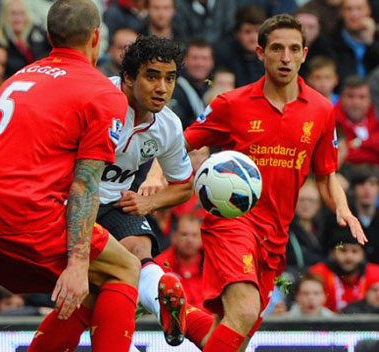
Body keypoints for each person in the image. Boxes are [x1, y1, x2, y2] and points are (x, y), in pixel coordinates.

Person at [147, 14, 366, 351]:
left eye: (294, 49)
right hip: (232, 222)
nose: (286, 57)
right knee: (245, 312)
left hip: (276, 234)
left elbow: (326, 174)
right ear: (260, 52)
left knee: (234, 333)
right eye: (277, 48)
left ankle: (184, 317)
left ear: (305, 54)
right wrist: (156, 173)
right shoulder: (231, 104)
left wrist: (344, 208)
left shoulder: (321, 110)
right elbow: (182, 143)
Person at [0, 1, 141, 351]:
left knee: (94, 290)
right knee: (125, 270)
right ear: (96, 37)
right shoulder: (102, 92)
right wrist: (78, 262)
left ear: (51, 36)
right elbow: (85, 183)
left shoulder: (20, 76)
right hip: (21, 214)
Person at [97, 35, 195, 346]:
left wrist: (147, 202)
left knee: (139, 249)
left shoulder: (168, 125)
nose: (162, 88)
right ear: (127, 78)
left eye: (170, 78)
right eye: (152, 76)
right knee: (88, 297)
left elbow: (184, 185)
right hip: (68, 201)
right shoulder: (97, 99)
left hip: (115, 203)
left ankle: (163, 305)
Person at [309, 228, 379, 312]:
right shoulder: (318, 274)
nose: (349, 257)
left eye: (355, 251)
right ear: (332, 254)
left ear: (363, 255)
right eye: (343, 250)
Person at [334, 76, 379, 168]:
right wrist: (378, 156)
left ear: (370, 99)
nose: (356, 102)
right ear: (340, 98)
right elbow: (340, 155)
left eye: (362, 97)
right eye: (350, 96)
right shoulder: (331, 120)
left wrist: (360, 143)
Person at [155, 213, 206, 310]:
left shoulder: (212, 263)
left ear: (202, 238)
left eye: (194, 235)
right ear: (174, 237)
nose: (189, 240)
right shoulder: (160, 264)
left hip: (208, 321)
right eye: (184, 235)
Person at [0, 0, 50, 77]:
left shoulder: (38, 34)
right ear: (5, 15)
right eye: (13, 14)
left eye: (21, 13)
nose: (18, 18)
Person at [213, 4, 266, 88]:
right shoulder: (223, 54)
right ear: (237, 33)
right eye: (247, 31)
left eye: (257, 31)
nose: (253, 37)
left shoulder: (267, 55)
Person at [168, 38, 213, 129]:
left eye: (204, 58)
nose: (199, 63)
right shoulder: (174, 89)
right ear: (185, 61)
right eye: (194, 58)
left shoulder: (212, 87)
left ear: (212, 62)